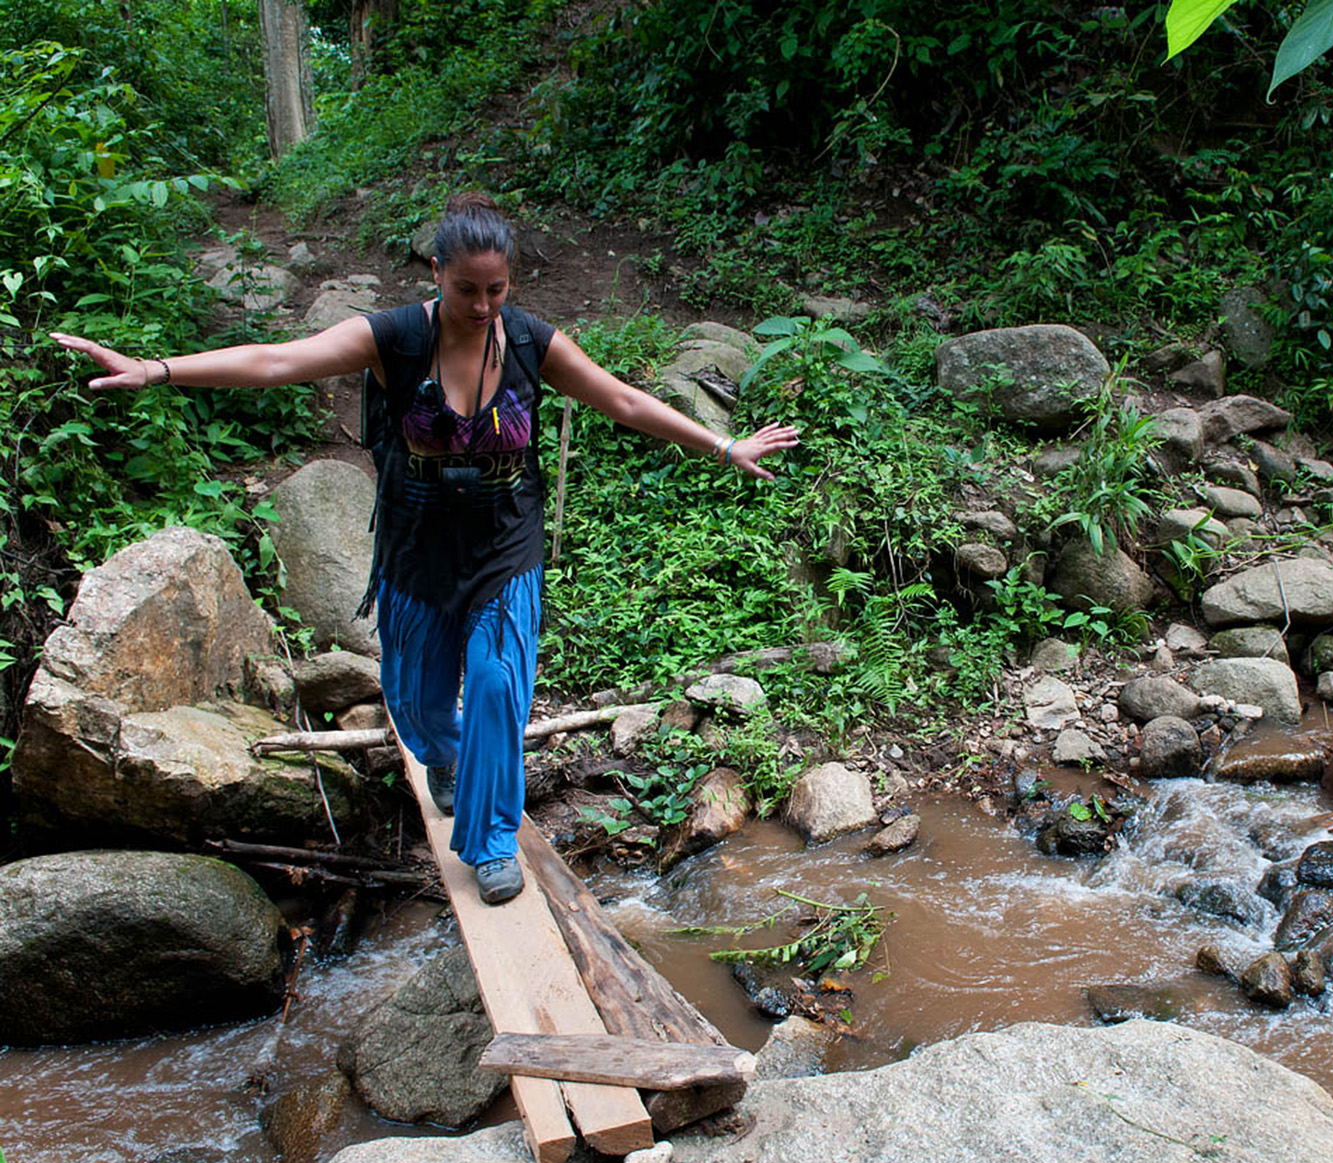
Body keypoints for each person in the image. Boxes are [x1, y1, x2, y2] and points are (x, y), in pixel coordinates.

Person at [51, 193, 800, 905]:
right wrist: (157, 370)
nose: (482, 307)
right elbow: (279, 360)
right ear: (436, 275)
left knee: (501, 687)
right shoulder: (394, 338)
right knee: (416, 704)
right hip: (415, 550)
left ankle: (491, 843)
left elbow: (625, 400)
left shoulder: (533, 341)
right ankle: (439, 757)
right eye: (468, 289)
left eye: (496, 291)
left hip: (506, 545)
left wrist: (721, 441)